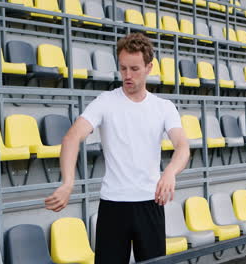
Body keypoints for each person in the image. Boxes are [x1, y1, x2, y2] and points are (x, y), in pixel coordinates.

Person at [44, 33, 190, 263]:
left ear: (149, 67)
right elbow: (71, 138)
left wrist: (170, 172)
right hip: (113, 205)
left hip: (149, 203)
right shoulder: (105, 101)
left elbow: (182, 146)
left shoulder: (164, 107)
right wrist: (68, 183)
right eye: (123, 69)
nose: (128, 75)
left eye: (134, 69)